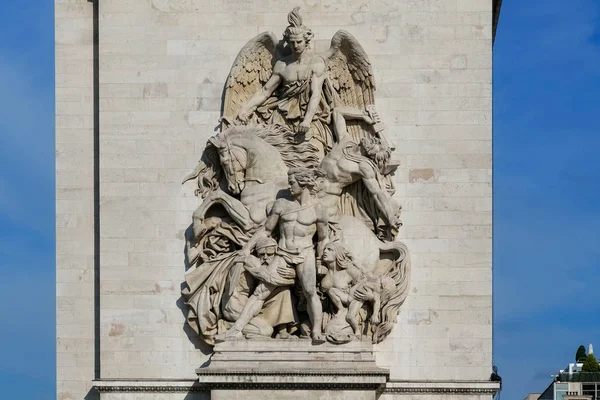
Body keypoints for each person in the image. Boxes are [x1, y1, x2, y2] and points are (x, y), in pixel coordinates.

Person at [234, 168, 329, 343]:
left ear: (304, 184)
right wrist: (247, 248)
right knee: (260, 291)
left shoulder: (319, 209)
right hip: (283, 253)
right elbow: (266, 230)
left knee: (310, 292)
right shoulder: (281, 205)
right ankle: (236, 328)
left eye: (292, 182)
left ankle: (316, 331)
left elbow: (323, 238)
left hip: (305, 253)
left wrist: (319, 261)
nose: (289, 186)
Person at [237, 7, 333, 158]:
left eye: (299, 42)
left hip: (309, 116)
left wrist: (307, 121)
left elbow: (316, 94)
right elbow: (265, 91)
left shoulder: (316, 63)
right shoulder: (282, 65)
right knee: (274, 157)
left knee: (315, 155)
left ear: (306, 40)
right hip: (282, 115)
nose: (295, 46)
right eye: (292, 42)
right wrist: (246, 107)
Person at [216, 237, 298, 341]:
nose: (265, 257)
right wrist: (294, 278)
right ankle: (228, 326)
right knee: (266, 331)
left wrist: (293, 276)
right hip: (234, 307)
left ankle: (282, 331)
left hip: (247, 303)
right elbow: (269, 278)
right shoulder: (249, 260)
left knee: (284, 291)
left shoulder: (259, 263)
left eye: (269, 254)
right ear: (256, 253)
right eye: (261, 254)